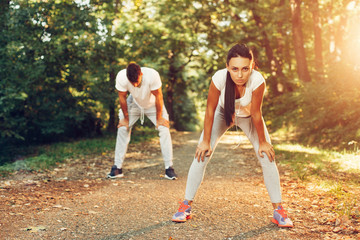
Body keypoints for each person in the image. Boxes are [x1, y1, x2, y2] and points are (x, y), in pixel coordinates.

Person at [171, 43, 293, 227]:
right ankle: (185, 206)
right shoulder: (219, 78)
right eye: (234, 69)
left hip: (248, 117)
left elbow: (256, 113)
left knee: (267, 157)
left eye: (245, 68)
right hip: (223, 113)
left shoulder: (258, 80)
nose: (240, 74)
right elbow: (210, 110)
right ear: (227, 66)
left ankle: (279, 211)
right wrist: (205, 141)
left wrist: (263, 142)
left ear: (252, 66)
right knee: (201, 154)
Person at [107, 63, 177, 180]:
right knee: (123, 128)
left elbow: (159, 97)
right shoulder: (121, 77)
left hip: (153, 104)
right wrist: (125, 118)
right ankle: (117, 168)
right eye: (131, 82)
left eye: (137, 81)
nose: (134, 84)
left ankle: (169, 168)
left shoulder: (152, 75)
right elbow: (122, 98)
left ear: (141, 74)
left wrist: (159, 117)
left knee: (164, 128)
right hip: (134, 103)